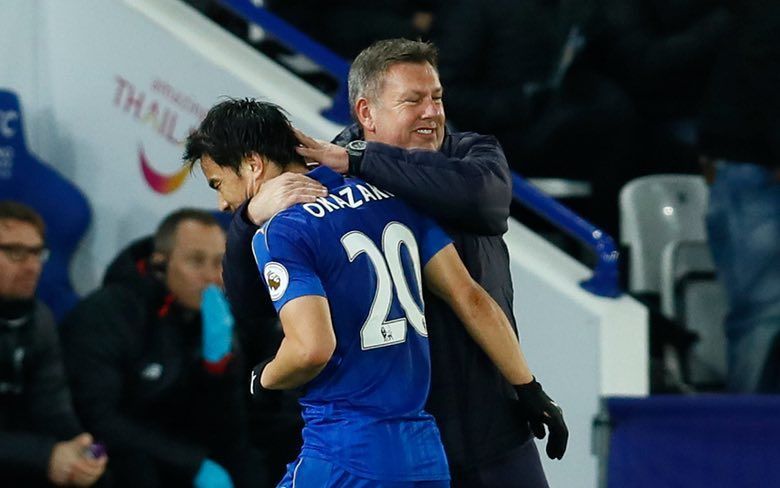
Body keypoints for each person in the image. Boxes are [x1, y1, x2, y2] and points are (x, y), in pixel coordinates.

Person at [184, 98, 566, 487]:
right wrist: (528, 387)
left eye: (218, 183)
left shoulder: (281, 231)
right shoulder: (390, 197)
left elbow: (311, 349)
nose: (222, 202)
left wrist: (263, 378)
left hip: (345, 451)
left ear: (253, 164)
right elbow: (470, 297)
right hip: (425, 454)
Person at [287, 39, 566, 486]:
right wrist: (248, 216)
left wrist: (360, 159)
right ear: (366, 113)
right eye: (413, 100)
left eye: (436, 97)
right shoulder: (327, 186)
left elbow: (484, 201)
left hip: (494, 427)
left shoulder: (473, 153)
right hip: (398, 442)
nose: (432, 112)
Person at [59, 209, 261, 488]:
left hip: (174, 449)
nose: (211, 276)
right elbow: (97, 417)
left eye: (218, 262)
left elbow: (229, 433)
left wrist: (219, 370)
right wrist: (190, 463)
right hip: (115, 455)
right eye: (196, 261)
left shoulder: (213, 317)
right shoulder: (107, 314)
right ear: (159, 265)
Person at [698, 0, 780, 393]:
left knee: (764, 313)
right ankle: (746, 421)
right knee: (764, 312)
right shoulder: (765, 13)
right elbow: (763, 69)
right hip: (755, 172)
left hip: (751, 166)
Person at [0, 200, 107, 487]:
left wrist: (80, 449)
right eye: (15, 252)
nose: (32, 266)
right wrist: (45, 455)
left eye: (37, 253)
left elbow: (52, 405)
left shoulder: (39, 318)